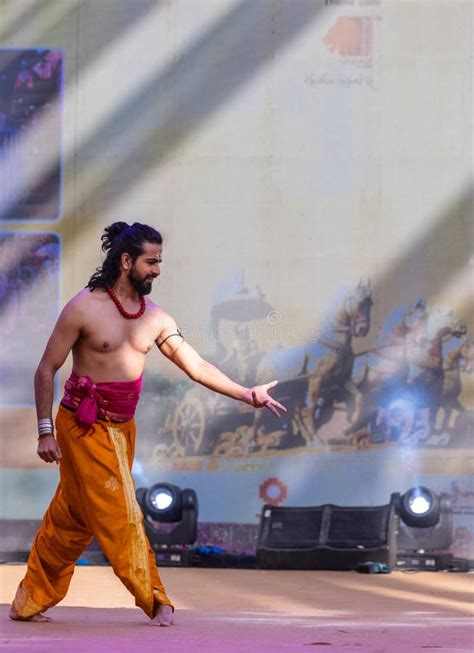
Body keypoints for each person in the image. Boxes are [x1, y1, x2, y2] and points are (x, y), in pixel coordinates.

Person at [9, 222, 286, 627]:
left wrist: (247, 393)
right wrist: (44, 431)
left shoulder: (155, 318)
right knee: (123, 513)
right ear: (126, 261)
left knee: (74, 516)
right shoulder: (83, 308)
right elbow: (46, 369)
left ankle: (29, 598)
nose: (157, 270)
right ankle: (155, 599)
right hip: (82, 428)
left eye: (159, 262)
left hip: (123, 430)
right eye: (151, 261)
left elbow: (196, 366)